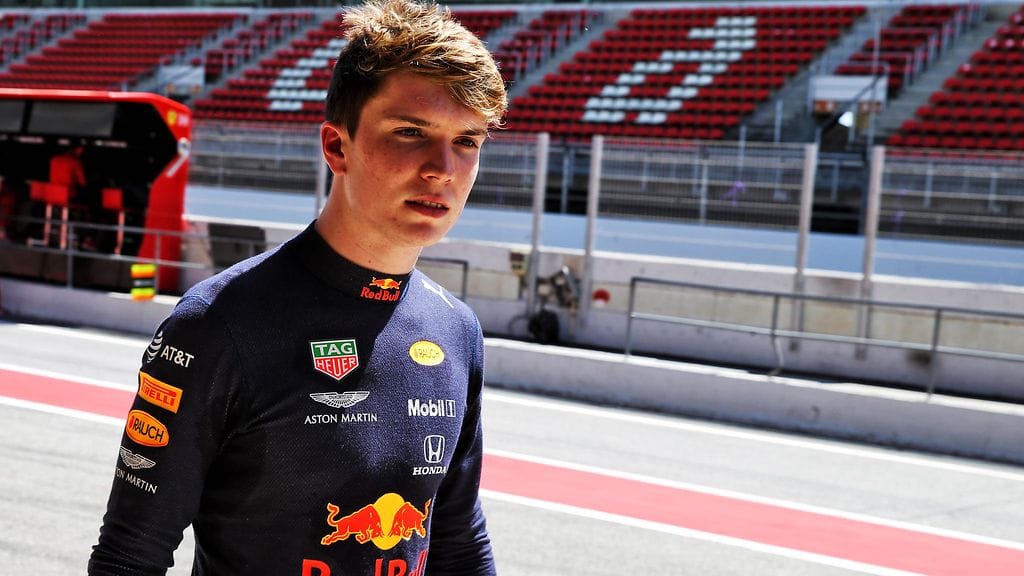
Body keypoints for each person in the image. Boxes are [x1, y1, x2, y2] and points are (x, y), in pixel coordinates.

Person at [88, 0, 506, 573]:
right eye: (410, 132)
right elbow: (129, 556)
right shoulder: (219, 323)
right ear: (337, 146)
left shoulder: (456, 331)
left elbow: (458, 542)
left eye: (467, 141)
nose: (443, 168)